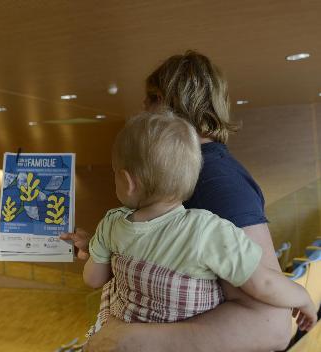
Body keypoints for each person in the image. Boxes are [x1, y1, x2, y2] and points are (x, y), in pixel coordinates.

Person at [61, 51, 292, 351]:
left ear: (173, 103)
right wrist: (105, 246)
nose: (142, 109)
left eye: (150, 99)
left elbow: (271, 326)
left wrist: (130, 338)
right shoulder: (185, 175)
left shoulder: (218, 181)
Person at [82, 111, 316, 340]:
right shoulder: (208, 230)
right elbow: (263, 283)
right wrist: (303, 297)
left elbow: (93, 279)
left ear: (127, 181)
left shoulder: (110, 224)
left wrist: (93, 249)